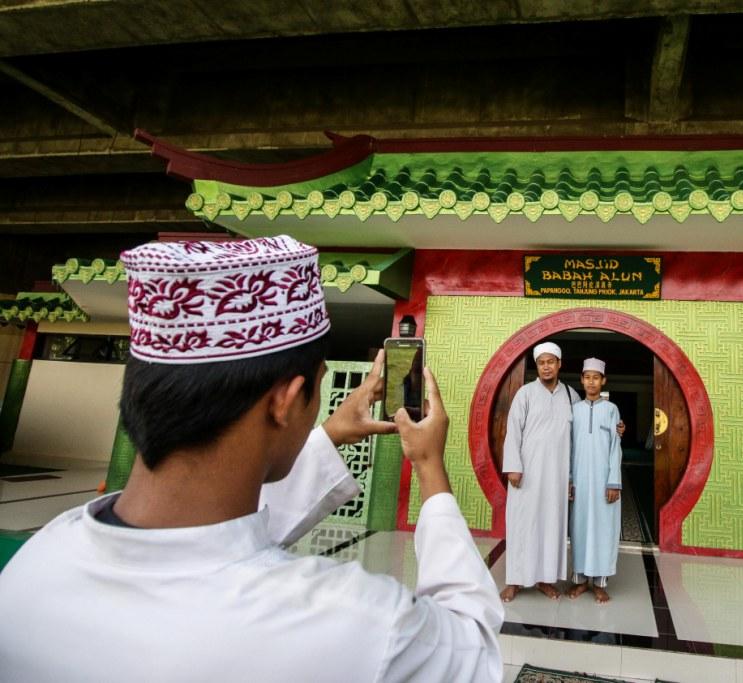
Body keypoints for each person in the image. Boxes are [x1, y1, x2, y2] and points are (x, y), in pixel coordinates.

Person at [0, 236, 503, 682]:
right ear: (285, 401)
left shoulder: (38, 562)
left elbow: (218, 539)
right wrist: (431, 469)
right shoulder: (357, 623)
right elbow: (473, 648)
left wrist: (327, 433)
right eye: (319, 387)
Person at [500, 341, 579, 602]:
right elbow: (513, 431)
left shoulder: (571, 395)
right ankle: (515, 580)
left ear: (559, 364)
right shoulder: (525, 393)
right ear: (537, 366)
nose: (546, 367)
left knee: (551, 525)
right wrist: (513, 466)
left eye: (551, 362)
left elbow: (582, 435)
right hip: (527, 471)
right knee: (522, 524)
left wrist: (615, 428)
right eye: (541, 363)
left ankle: (545, 579)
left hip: (557, 475)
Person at [568, 358, 622, 603]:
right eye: (587, 377)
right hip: (579, 480)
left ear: (603, 381)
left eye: (596, 377)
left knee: (603, 530)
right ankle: (579, 581)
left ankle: (600, 583)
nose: (591, 382)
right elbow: (568, 446)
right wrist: (569, 479)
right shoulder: (574, 410)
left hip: (603, 483)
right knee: (579, 529)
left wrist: (613, 482)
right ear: (581, 380)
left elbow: (615, 448)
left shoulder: (612, 410)